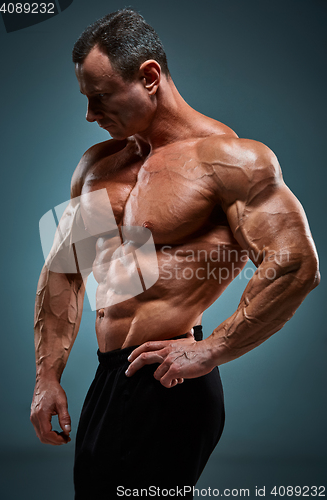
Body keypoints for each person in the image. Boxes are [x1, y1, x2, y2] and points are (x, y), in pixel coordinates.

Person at [30, 8, 320, 499]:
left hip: (168, 380)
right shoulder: (100, 165)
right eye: (86, 98)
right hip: (109, 379)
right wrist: (47, 377)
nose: (90, 115)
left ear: (149, 77)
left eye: (99, 97)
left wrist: (211, 349)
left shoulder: (229, 160)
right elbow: (65, 271)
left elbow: (294, 264)